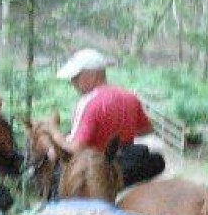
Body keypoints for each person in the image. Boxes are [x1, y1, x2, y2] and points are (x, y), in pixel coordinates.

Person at [55, 48, 165, 186]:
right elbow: (146, 129)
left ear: (92, 75)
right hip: (127, 166)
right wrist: (122, 131)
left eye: (76, 77)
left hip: (97, 170)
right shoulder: (129, 97)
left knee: (57, 181)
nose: (72, 82)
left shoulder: (88, 102)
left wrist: (54, 132)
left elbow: (74, 149)